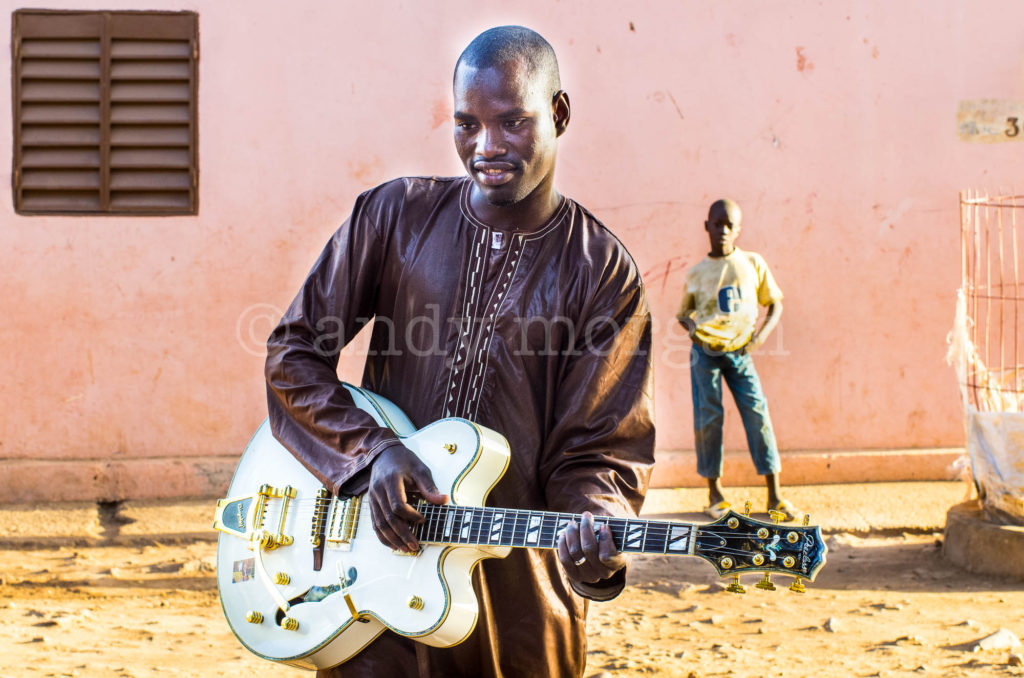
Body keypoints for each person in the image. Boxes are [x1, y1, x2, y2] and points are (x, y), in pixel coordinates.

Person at [264, 26, 655, 677]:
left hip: (518, 611)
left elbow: (599, 450)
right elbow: (292, 355)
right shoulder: (394, 218)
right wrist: (374, 454)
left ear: (559, 114)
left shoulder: (602, 272)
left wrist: (598, 528)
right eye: (467, 124)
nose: (486, 148)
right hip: (373, 592)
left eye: (512, 123)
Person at [676, 198, 801, 522]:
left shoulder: (752, 263)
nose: (723, 231)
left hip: (740, 353)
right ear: (707, 226)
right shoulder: (697, 273)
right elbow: (683, 314)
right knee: (708, 418)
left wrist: (758, 338)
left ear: (738, 229)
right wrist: (692, 330)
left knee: (757, 412)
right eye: (717, 224)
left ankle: (774, 495)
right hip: (706, 353)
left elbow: (774, 305)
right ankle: (714, 493)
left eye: (730, 225)